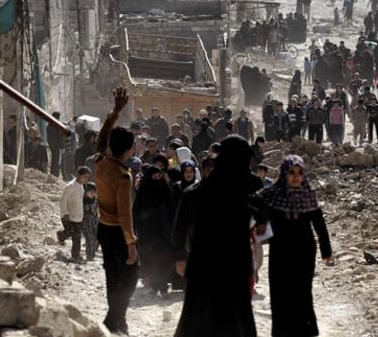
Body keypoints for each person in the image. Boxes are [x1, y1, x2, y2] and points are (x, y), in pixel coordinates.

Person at [173, 135, 266, 337]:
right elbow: (179, 227)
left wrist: (180, 256)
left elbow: (262, 221)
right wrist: (180, 256)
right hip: (223, 264)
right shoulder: (248, 186)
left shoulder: (197, 192)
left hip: (215, 264)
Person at [256, 155, 332, 337]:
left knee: (302, 291)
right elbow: (256, 206)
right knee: (280, 291)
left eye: (299, 173)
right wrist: (261, 221)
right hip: (280, 250)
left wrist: (326, 250)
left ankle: (305, 331)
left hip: (304, 250)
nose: (296, 177)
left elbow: (319, 225)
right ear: (284, 173)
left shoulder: (308, 195)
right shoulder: (271, 194)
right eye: (291, 172)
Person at [93, 88, 138, 335]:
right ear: (129, 150)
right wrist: (131, 243)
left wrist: (116, 111)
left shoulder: (100, 162)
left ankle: (119, 322)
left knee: (113, 276)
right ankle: (113, 320)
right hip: (119, 233)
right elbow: (125, 214)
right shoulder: (123, 176)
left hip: (103, 228)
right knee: (130, 277)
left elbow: (102, 137)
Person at [133, 166, 176, 298]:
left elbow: (173, 211)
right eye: (154, 177)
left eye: (159, 177)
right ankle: (155, 286)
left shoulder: (167, 192)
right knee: (151, 261)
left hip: (165, 234)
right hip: (148, 236)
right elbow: (136, 214)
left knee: (164, 260)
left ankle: (163, 288)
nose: (157, 180)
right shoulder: (143, 194)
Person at [57, 166, 92, 263]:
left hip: (78, 216)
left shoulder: (82, 186)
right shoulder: (71, 186)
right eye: (85, 177)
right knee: (70, 231)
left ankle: (76, 256)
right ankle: (61, 235)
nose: (86, 179)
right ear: (78, 175)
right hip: (68, 215)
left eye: (88, 177)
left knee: (77, 238)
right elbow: (63, 200)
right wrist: (65, 212)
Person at [83, 181, 99, 261]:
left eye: (94, 192)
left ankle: (93, 251)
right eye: (91, 192)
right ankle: (90, 255)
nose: (93, 194)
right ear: (86, 191)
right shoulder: (82, 200)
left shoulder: (96, 200)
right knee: (89, 237)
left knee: (97, 237)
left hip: (95, 220)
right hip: (86, 221)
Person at [47, 111, 64, 177]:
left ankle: (53, 172)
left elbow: (49, 136)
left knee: (54, 158)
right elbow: (60, 136)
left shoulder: (49, 125)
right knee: (56, 159)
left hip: (52, 144)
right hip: (57, 145)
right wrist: (62, 145)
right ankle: (55, 173)